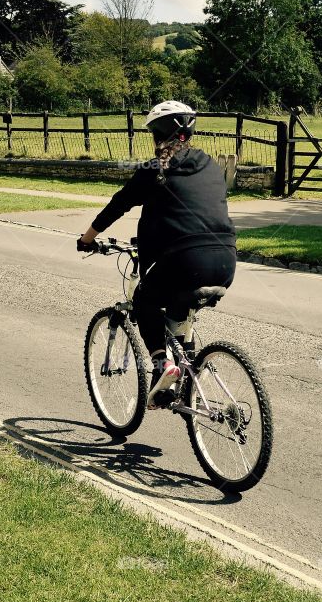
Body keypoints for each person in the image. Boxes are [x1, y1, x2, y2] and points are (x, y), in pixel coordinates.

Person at [77, 100, 237, 406]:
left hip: (185, 259)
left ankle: (162, 363)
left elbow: (118, 204)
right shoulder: (211, 165)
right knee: (180, 309)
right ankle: (183, 382)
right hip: (226, 259)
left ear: (157, 135)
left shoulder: (154, 170)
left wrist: (87, 239)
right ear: (188, 134)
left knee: (145, 301)